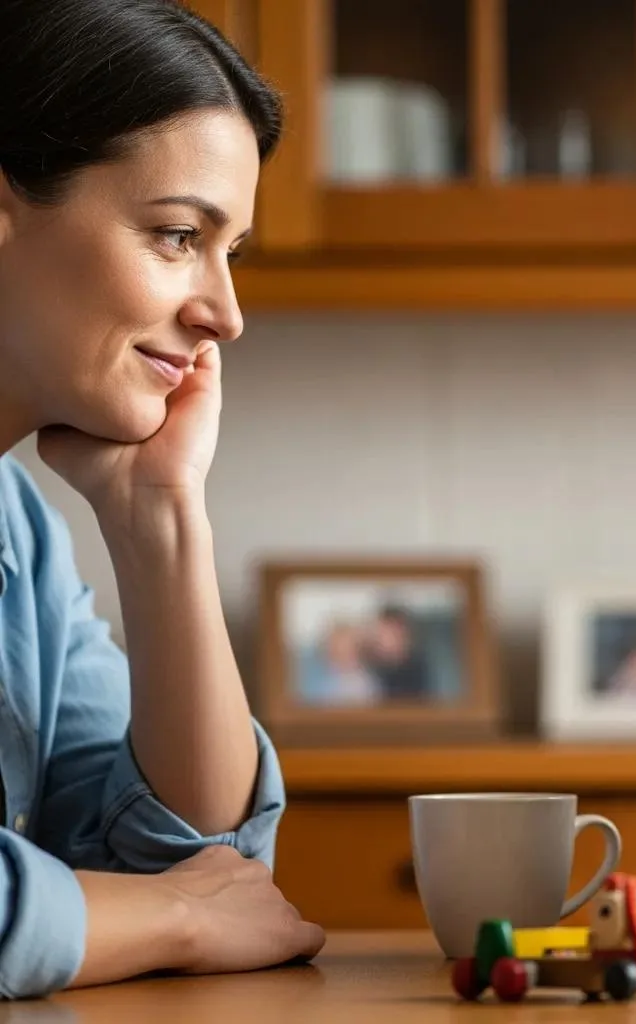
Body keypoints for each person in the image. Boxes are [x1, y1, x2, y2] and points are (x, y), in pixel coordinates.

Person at [0, 0, 324, 1000]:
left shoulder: (20, 533)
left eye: (232, 253)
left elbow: (200, 860)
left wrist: (161, 523)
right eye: (179, 235)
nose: (224, 313)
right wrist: (175, 917)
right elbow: (187, 904)